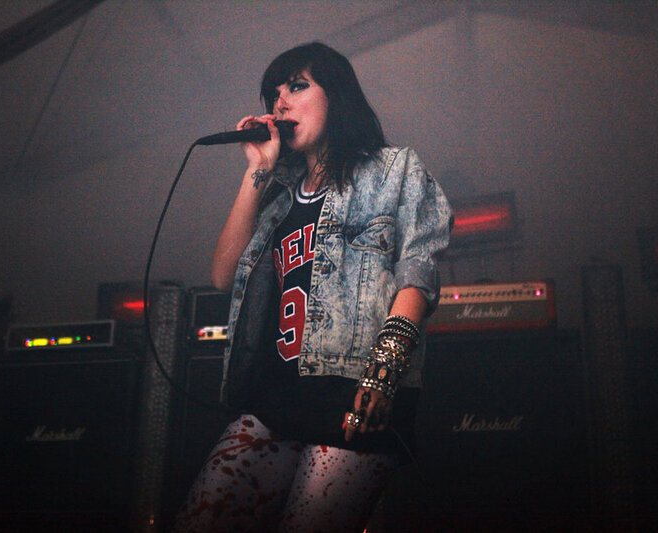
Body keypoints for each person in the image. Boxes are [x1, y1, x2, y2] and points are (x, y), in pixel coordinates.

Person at [175, 42, 452, 532]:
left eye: (297, 86)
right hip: (274, 399)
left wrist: (383, 373)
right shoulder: (278, 194)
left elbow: (418, 274)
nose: (279, 102)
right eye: (273, 93)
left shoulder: (395, 170)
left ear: (337, 95)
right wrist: (257, 170)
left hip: (352, 396)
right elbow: (224, 276)